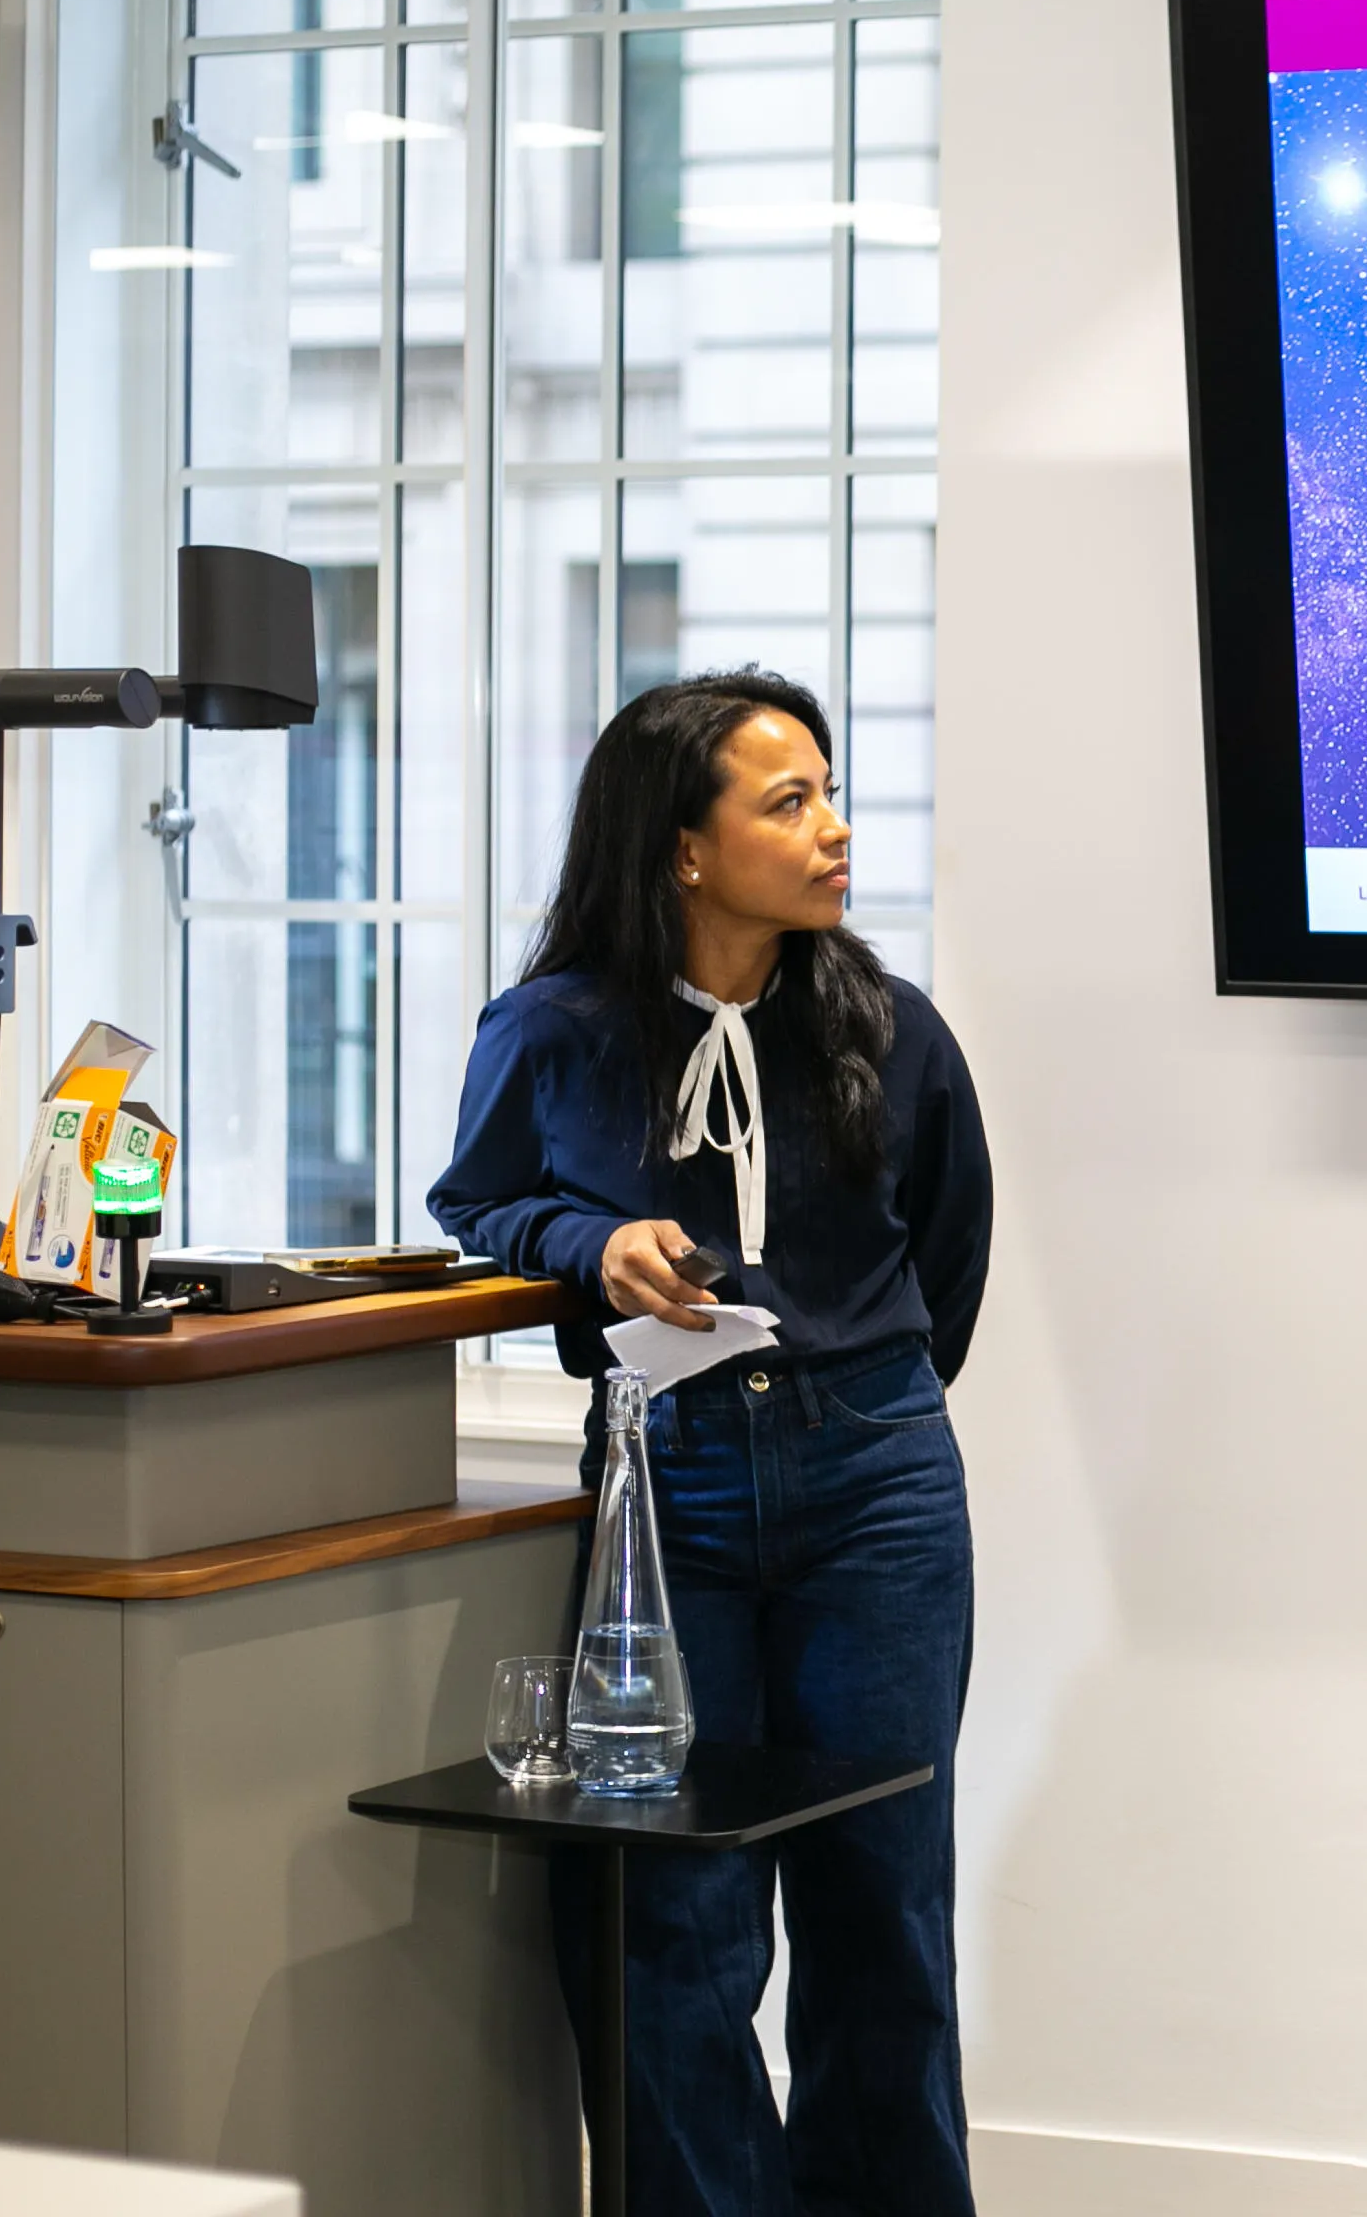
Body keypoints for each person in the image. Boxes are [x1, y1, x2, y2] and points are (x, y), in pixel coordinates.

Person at [434, 669, 993, 2217]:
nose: (835, 829)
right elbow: (475, 1213)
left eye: (830, 792)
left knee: (883, 1906)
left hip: (875, 1478)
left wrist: (834, 1389)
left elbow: (944, 1254)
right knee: (668, 1912)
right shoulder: (549, 1031)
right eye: (789, 800)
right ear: (684, 847)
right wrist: (592, 1245)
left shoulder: (890, 1027)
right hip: (666, 1483)